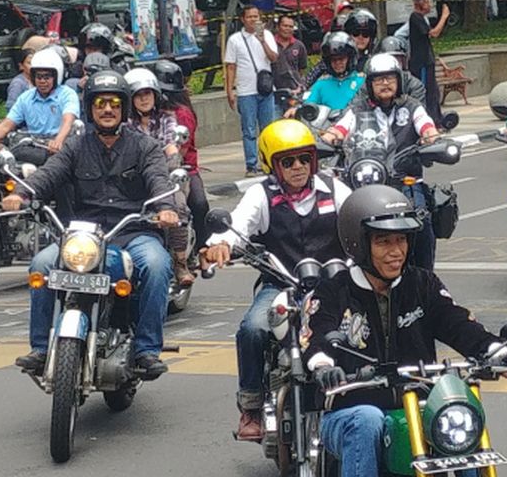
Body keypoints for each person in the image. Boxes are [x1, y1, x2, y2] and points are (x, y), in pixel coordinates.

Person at [302, 185, 507, 477]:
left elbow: (457, 324)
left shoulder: (421, 284)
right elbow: (317, 340)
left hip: (416, 403)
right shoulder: (333, 291)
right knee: (367, 420)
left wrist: (498, 354)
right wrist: (324, 367)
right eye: (384, 241)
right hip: (352, 409)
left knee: (456, 411)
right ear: (359, 244)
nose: (396, 251)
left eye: (402, 240)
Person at [5, 70, 179, 378]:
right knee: (41, 266)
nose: (107, 109)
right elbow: (49, 173)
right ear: (91, 108)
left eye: (114, 103)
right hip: (84, 236)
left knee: (157, 265)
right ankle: (42, 347)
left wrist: (165, 207)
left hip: (132, 232)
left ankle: (146, 350)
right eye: (100, 103)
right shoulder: (75, 146)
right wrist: (21, 193)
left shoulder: (145, 147)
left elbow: (157, 177)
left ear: (124, 108)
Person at [198, 119, 350, 440]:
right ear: (272, 165)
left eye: (304, 158)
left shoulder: (334, 188)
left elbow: (358, 217)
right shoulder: (261, 195)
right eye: (287, 161)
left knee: (360, 330)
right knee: (252, 329)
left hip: (333, 285)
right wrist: (221, 244)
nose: (298, 167)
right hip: (281, 285)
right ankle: (251, 406)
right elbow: (238, 224)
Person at [323, 54, 443, 270]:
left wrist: (431, 138)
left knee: (423, 222)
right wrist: (326, 140)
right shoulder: (358, 109)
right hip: (366, 181)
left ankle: (426, 277)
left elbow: (426, 126)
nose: (385, 83)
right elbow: (339, 128)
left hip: (405, 180)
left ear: (399, 81)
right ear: (370, 84)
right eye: (379, 80)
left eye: (389, 78)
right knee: (335, 219)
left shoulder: (411, 106)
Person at [125, 67, 196, 288]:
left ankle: (180, 261)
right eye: (138, 94)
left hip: (165, 177)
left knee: (178, 206)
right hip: (132, 179)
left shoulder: (167, 119)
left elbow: (172, 148)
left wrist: (168, 156)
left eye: (147, 93)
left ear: (155, 95)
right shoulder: (125, 125)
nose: (144, 99)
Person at [0, 47, 79, 160]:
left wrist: (58, 140)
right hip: (33, 146)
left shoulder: (67, 94)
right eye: (39, 77)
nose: (42, 81)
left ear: (56, 76)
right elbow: (5, 126)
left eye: (47, 77)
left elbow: (68, 120)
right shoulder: (26, 98)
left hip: (59, 147)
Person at [156, 59, 210, 262]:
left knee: (199, 204)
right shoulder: (149, 115)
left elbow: (180, 151)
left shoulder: (183, 114)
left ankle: (203, 251)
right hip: (154, 168)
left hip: (182, 168)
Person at [225, 5, 279, 178]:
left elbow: (273, 57)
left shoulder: (267, 35)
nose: (254, 20)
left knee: (267, 128)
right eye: (250, 17)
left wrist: (262, 40)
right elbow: (231, 67)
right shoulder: (235, 40)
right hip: (246, 91)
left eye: (256, 16)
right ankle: (251, 165)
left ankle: (268, 162)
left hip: (265, 89)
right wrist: (230, 90)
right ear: (243, 19)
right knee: (249, 129)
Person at [407, 0, 450, 122]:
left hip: (427, 61)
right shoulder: (415, 17)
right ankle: (426, 120)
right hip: (421, 63)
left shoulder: (422, 18)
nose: (426, 1)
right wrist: (444, 17)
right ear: (416, 2)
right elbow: (434, 33)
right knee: (425, 92)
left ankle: (436, 119)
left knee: (433, 92)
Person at [295, 32, 364, 115]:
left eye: (341, 59)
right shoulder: (321, 84)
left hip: (356, 125)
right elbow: (309, 104)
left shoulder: (362, 81)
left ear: (350, 59)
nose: (337, 63)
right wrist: (296, 108)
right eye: (333, 60)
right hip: (327, 127)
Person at [271, 14, 308, 116]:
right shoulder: (270, 44)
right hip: (274, 94)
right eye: (285, 26)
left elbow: (301, 69)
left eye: (291, 27)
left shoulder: (299, 46)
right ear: (278, 27)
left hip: (294, 94)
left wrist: (298, 87)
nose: (287, 29)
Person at [370, 36, 426, 101]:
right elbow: (359, 106)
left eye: (397, 59)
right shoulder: (370, 83)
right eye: (389, 60)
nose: (394, 65)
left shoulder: (414, 85)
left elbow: (419, 109)